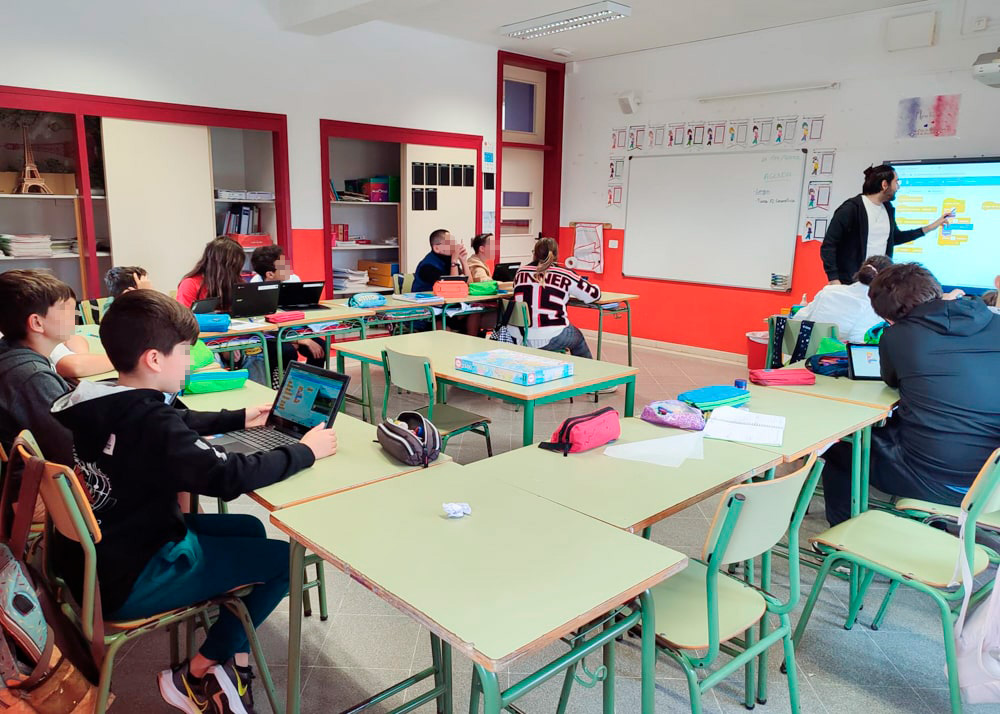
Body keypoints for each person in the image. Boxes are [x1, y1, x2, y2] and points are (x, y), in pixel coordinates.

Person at [50, 290, 338, 714]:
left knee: (249, 528)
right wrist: (304, 452)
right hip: (132, 577)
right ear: (154, 359)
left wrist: (240, 417)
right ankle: (196, 671)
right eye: (185, 353)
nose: (188, 363)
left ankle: (232, 650)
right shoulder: (151, 423)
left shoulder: (102, 398)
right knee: (285, 562)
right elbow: (226, 476)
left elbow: (176, 421)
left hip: (99, 559)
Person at [820, 263, 1000, 526]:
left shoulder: (899, 336)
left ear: (890, 315)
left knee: (841, 448)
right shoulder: (994, 321)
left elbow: (891, 379)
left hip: (938, 480)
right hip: (993, 480)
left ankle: (842, 534)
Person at [820, 164, 954, 285]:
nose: (898, 187)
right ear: (885, 184)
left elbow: (895, 238)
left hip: (878, 282)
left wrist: (931, 227)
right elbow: (829, 245)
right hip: (850, 281)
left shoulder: (887, 208)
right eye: (896, 182)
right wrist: (834, 279)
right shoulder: (851, 208)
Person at [0, 270, 76, 466]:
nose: (73, 313)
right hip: (39, 480)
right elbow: (73, 450)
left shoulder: (11, 351)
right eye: (63, 309)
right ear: (36, 322)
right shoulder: (33, 377)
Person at [512, 237, 601, 358]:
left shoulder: (520, 272)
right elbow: (594, 295)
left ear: (535, 253)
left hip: (520, 335)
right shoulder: (565, 274)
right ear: (556, 254)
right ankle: (587, 368)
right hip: (551, 335)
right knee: (578, 338)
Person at [249, 244, 325, 368]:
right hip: (271, 335)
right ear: (270, 274)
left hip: (294, 329)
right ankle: (282, 379)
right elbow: (264, 328)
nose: (289, 267)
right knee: (287, 351)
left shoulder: (293, 279)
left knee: (321, 347)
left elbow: (300, 312)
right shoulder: (255, 286)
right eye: (283, 266)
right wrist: (297, 340)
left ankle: (307, 378)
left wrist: (297, 338)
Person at [794, 255, 891, 343]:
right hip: (841, 355)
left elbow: (797, 319)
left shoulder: (828, 291)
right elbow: (861, 341)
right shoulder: (874, 307)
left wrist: (802, 308)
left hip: (808, 352)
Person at [176, 237, 245, 310]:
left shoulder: (238, 283)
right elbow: (184, 316)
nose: (238, 272)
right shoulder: (190, 285)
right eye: (234, 267)